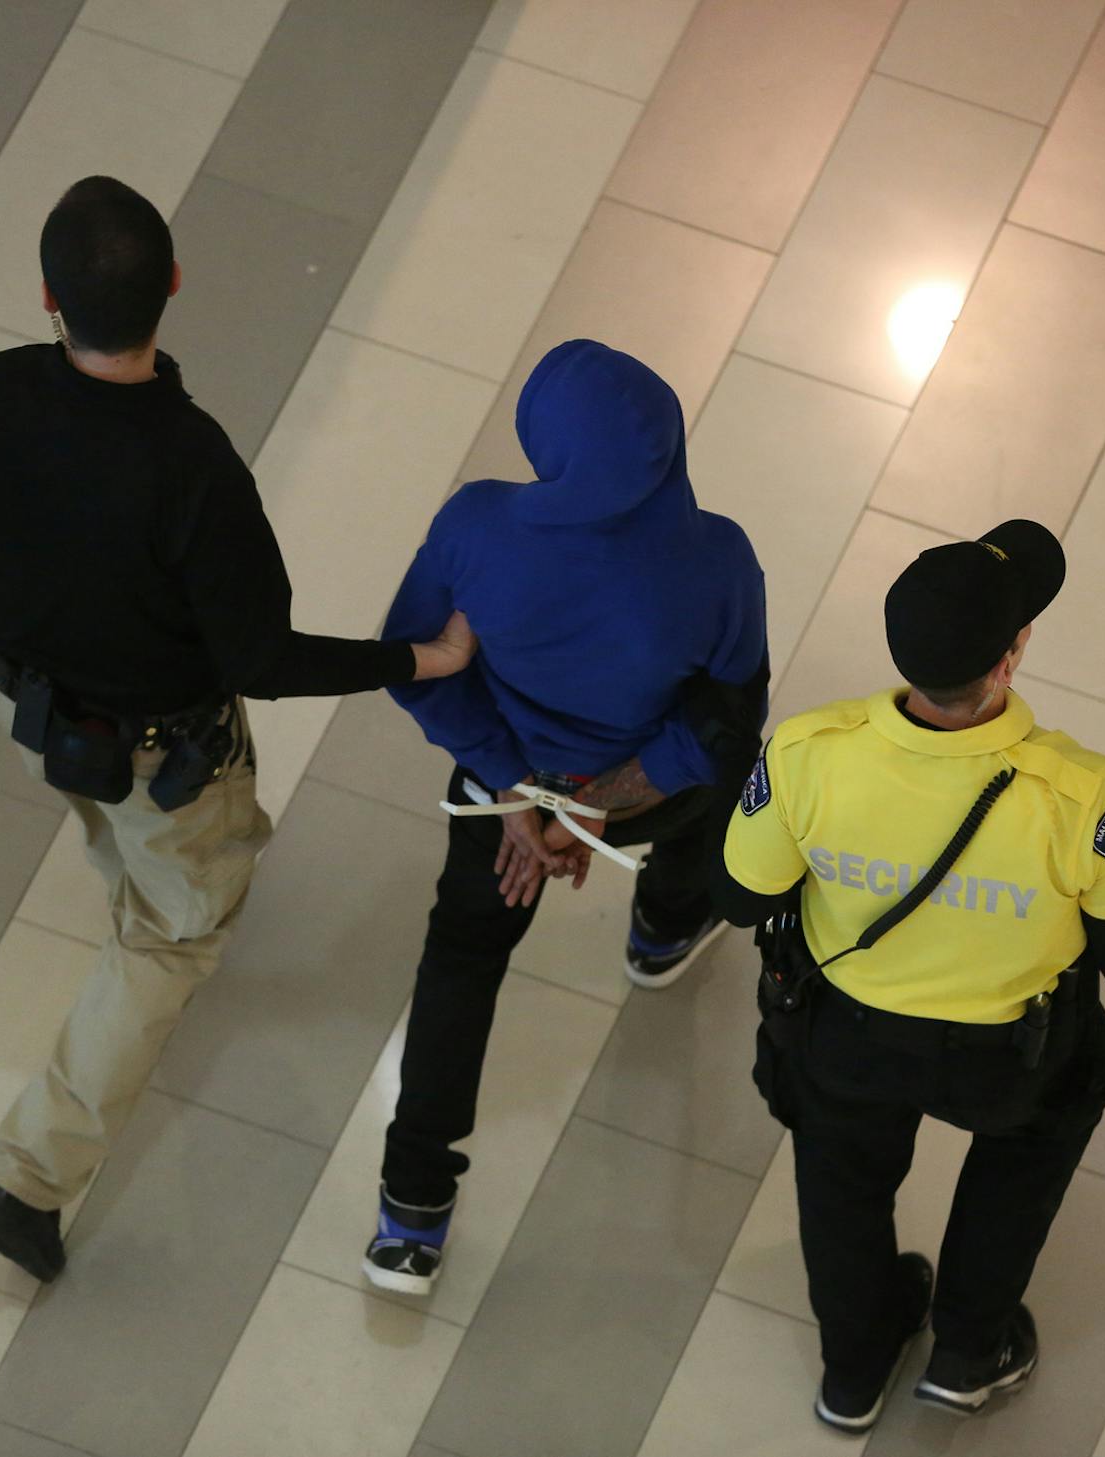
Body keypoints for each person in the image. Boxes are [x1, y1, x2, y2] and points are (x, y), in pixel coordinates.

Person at [0, 175, 476, 1284]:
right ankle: (27, 1182)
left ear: (46, 296)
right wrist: (419, 658)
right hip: (159, 751)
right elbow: (260, 657)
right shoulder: (195, 467)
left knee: (110, 826)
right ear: (177, 288)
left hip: (20, 696)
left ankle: (130, 869)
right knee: (170, 937)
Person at [714, 521, 1105, 1432]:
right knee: (1023, 1162)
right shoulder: (1083, 792)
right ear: (1012, 656)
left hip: (847, 1030)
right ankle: (969, 1350)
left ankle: (854, 1368)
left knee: (840, 1181)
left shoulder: (806, 751)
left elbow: (745, 897)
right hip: (1013, 1051)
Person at [362, 339, 769, 1295]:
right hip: (645, 798)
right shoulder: (719, 558)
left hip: (502, 803)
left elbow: (413, 663)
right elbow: (727, 715)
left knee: (462, 960)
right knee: (707, 819)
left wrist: (516, 794)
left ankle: (411, 1212)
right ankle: (664, 933)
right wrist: (596, 806)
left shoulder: (478, 526)